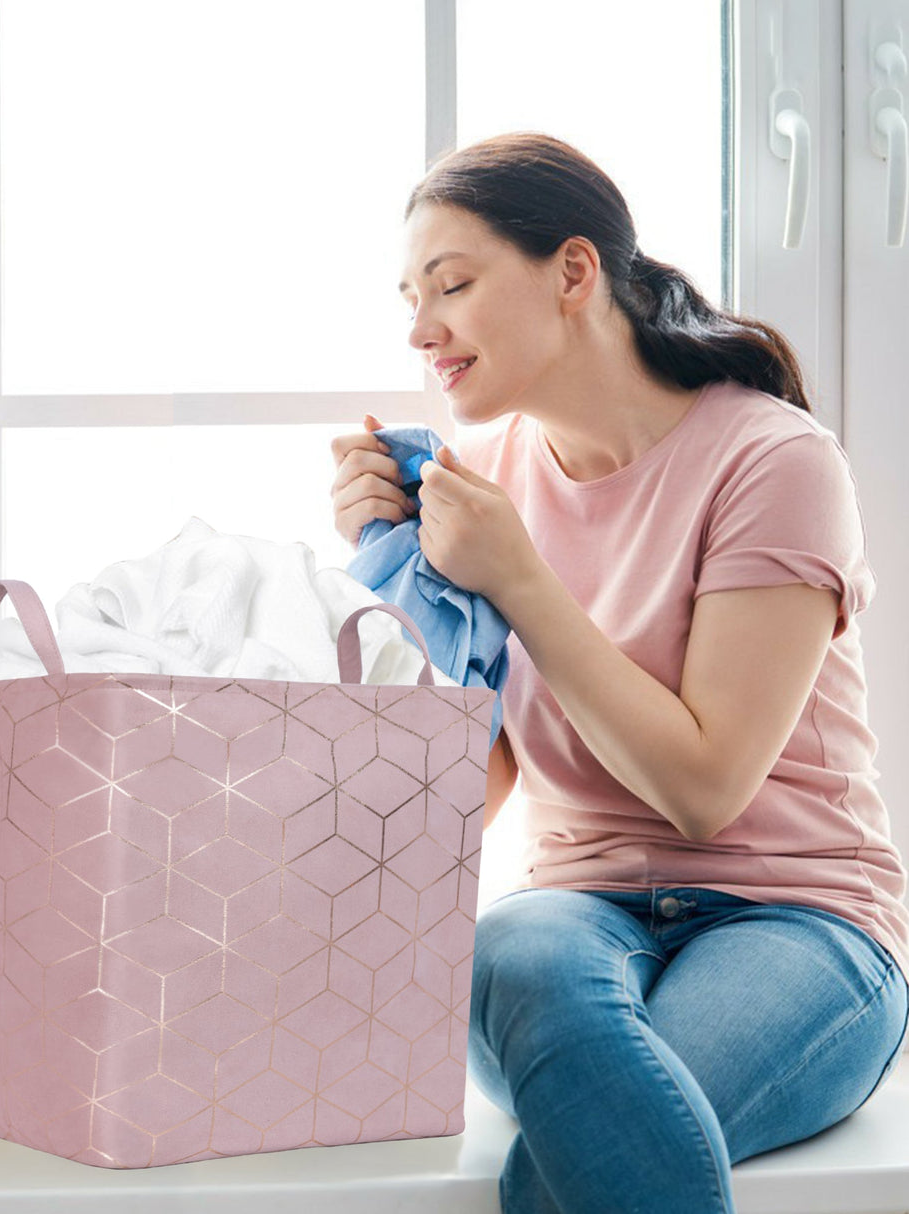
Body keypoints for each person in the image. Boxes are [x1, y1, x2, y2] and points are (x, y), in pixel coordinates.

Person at [329, 131, 909, 1214]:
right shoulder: (485, 480)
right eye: (409, 296)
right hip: (572, 904)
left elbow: (704, 787)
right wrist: (398, 582)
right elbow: (480, 786)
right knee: (518, 955)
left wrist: (519, 577)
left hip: (795, 919)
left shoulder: (772, 461)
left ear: (572, 272)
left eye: (451, 284)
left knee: (585, 1150)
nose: (420, 328)